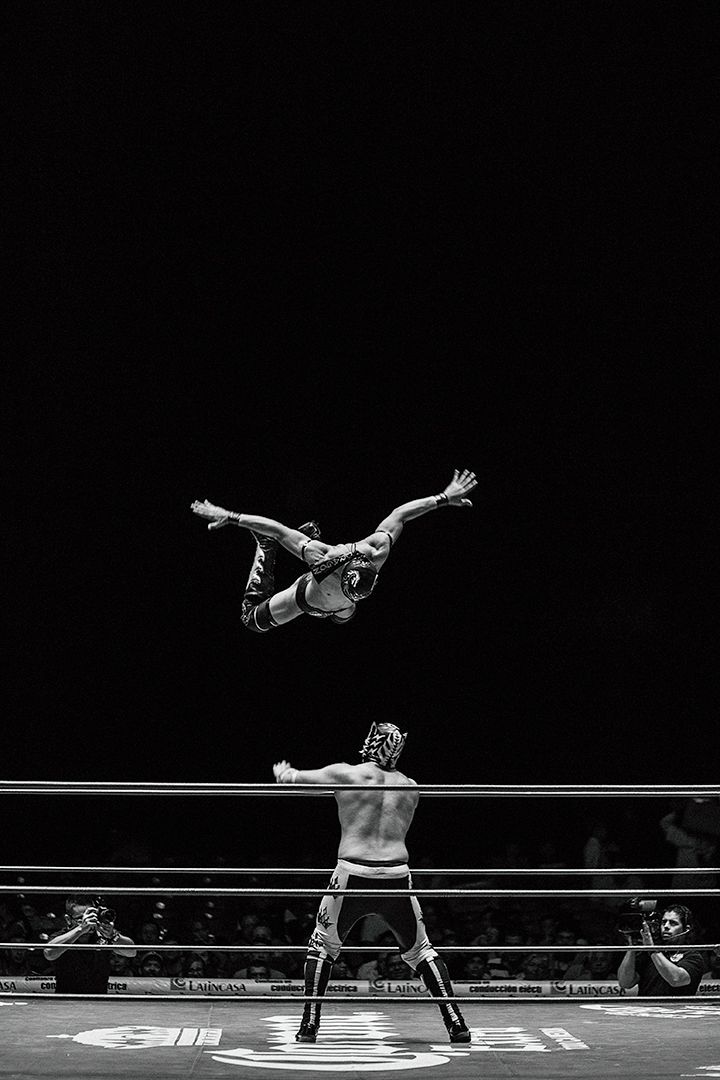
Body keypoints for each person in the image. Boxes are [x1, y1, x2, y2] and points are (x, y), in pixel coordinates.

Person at [272, 722, 471, 1044]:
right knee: (421, 950)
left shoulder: (348, 774)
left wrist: (284, 772)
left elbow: (298, 781)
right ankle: (456, 1023)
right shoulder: (410, 786)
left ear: (372, 743)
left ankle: (309, 1026)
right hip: (396, 873)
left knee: (322, 947)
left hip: (353, 872)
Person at [191, 469, 477, 632]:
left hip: (341, 606)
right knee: (251, 620)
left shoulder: (374, 553)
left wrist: (443, 498)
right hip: (310, 599)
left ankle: (340, 605)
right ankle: (266, 549)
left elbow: (401, 514)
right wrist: (230, 516)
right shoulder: (331, 559)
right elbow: (277, 530)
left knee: (343, 616)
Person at [43, 896, 136, 994]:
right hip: (66, 1000)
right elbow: (49, 953)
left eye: (91, 916)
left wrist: (113, 935)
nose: (88, 921)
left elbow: (132, 952)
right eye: (81, 918)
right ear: (68, 920)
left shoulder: (103, 935)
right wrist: (81, 929)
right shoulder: (61, 936)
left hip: (99, 1001)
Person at [617, 903, 706, 996]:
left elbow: (676, 979)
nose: (666, 926)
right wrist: (632, 948)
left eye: (673, 923)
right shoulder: (648, 953)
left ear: (686, 929)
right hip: (647, 1009)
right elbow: (625, 983)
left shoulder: (693, 956)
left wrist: (652, 949)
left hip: (677, 1009)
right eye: (664, 922)